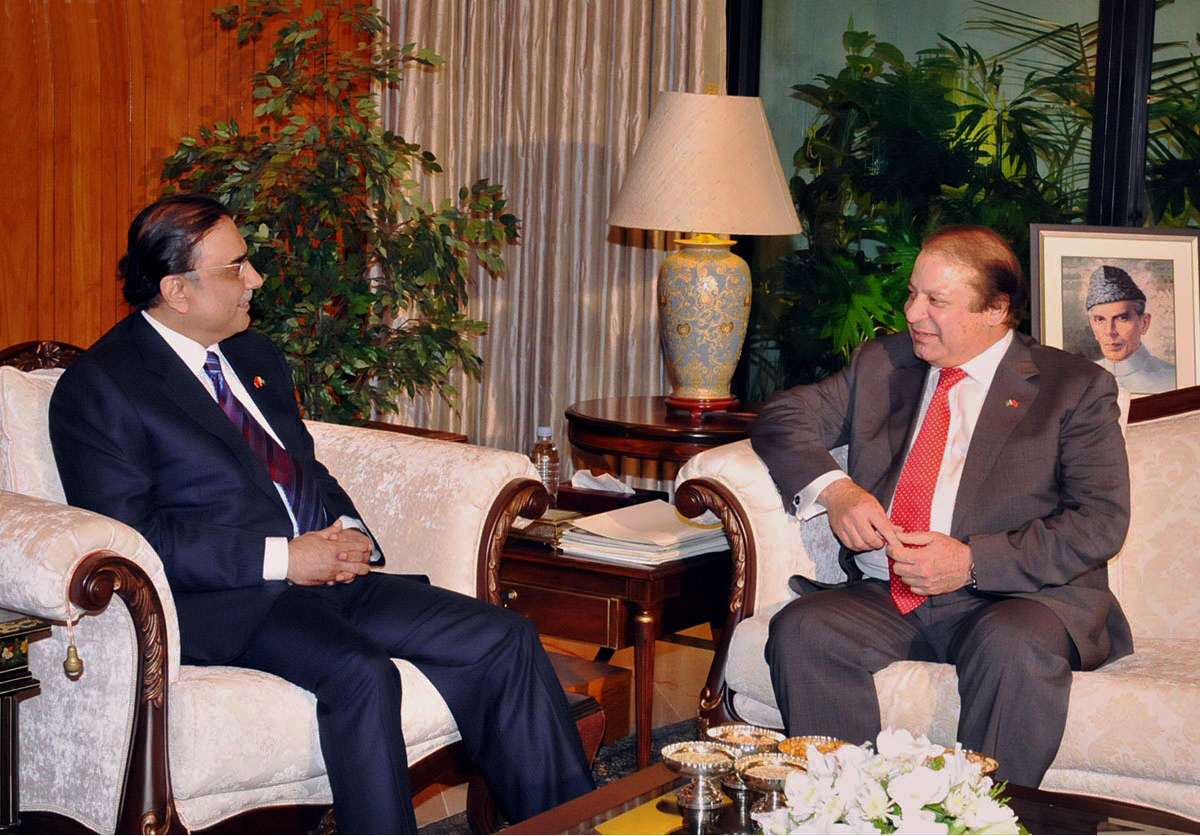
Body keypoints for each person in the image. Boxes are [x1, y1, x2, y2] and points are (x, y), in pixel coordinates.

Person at [48, 194, 594, 834]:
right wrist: (286, 558)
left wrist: (348, 533)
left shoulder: (253, 357)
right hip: (225, 602)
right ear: (177, 289)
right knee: (362, 675)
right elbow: (137, 538)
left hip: (324, 576)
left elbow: (302, 468)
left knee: (504, 636)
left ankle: (572, 828)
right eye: (236, 269)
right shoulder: (102, 388)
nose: (256, 280)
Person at [752, 225, 1132, 787]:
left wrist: (971, 562)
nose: (912, 312)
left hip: (1017, 598)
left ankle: (988, 819)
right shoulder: (886, 362)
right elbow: (784, 418)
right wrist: (837, 489)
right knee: (804, 630)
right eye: (912, 293)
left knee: (1010, 646)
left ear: (996, 310)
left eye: (936, 301)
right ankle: (844, 812)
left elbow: (1101, 521)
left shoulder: (1071, 387)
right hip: (887, 593)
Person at [1085, 264, 1176, 394]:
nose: (1110, 331)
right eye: (1100, 320)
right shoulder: (1078, 381)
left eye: (1121, 318)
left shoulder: (1173, 380)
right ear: (1092, 326)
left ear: (1144, 323)